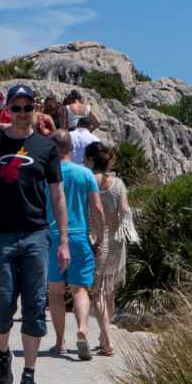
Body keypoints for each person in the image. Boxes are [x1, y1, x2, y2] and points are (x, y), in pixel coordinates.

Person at [0, 84, 70, 384]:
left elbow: (57, 195)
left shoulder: (45, 147)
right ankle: (3, 353)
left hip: (36, 234)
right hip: (0, 234)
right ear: (8, 110)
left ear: (35, 110)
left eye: (28, 108)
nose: (23, 114)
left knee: (34, 305)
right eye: (16, 108)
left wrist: (63, 240)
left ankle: (29, 374)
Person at [44, 132, 105, 361]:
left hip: (52, 237)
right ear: (71, 147)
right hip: (79, 236)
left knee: (55, 291)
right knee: (79, 289)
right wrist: (99, 236)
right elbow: (97, 209)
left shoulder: (46, 173)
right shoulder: (85, 173)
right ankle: (82, 328)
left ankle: (59, 341)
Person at [87, 142, 132, 356]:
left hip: (96, 239)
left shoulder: (89, 182)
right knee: (110, 290)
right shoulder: (119, 184)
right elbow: (125, 210)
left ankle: (107, 339)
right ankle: (104, 336)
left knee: (98, 293)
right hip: (116, 240)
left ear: (90, 161)